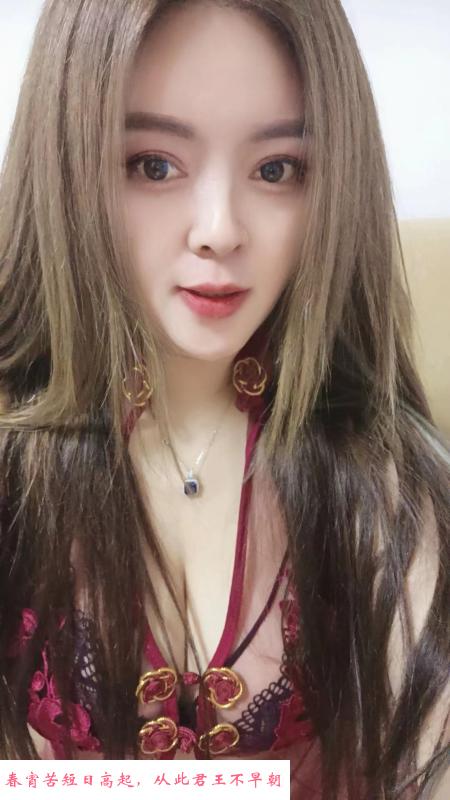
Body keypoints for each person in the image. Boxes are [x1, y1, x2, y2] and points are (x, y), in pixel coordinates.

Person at [0, 0, 448, 797]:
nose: (219, 229)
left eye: (276, 170)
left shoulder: (388, 493)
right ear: (66, 165)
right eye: (152, 164)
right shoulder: (16, 474)